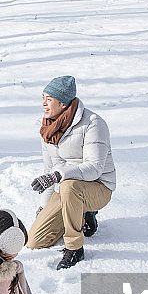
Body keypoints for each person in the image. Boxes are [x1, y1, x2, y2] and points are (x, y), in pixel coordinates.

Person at [26, 76, 116, 269]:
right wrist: (44, 208)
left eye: (48, 99)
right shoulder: (48, 128)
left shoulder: (93, 123)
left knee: (68, 186)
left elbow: (94, 168)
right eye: (43, 97)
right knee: (35, 240)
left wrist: (58, 175)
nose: (43, 103)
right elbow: (49, 170)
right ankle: (78, 214)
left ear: (62, 102)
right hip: (66, 190)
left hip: (98, 187)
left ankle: (75, 248)